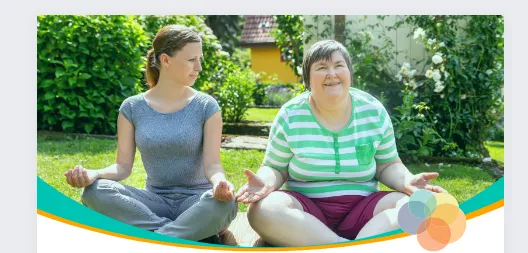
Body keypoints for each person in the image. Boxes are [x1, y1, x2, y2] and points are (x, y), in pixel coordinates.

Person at [235, 39, 447, 247]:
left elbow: (387, 164)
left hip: (365, 212)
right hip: (306, 213)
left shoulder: (373, 111)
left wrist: (407, 181)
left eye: (339, 65)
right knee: (261, 210)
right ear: (307, 79)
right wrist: (265, 182)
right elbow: (275, 167)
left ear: (350, 74)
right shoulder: (291, 115)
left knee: (419, 206)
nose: (332, 73)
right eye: (321, 67)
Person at [63, 25, 238, 245]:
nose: (199, 67)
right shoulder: (132, 107)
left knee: (226, 203)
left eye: (199, 59)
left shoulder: (206, 106)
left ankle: (155, 239)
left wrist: (221, 183)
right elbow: (122, 167)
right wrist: (93, 174)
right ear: (166, 60)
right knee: (94, 192)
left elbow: (213, 165)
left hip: (197, 202)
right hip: (153, 202)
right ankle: (183, 233)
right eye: (192, 60)